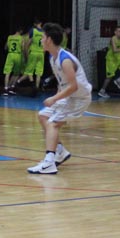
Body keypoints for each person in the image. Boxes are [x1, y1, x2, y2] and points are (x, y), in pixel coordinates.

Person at [26, 22, 92, 174]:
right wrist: (57, 98)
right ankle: (60, 151)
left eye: (43, 37)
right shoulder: (52, 57)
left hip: (79, 98)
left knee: (53, 124)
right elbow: (63, 83)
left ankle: (49, 162)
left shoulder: (65, 60)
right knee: (43, 116)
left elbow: (73, 86)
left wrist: (54, 99)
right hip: (69, 96)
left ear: (49, 40)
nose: (41, 40)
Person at [97, 26, 120, 98]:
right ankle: (102, 91)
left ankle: (118, 80)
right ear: (115, 32)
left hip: (118, 59)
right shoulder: (113, 39)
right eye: (118, 31)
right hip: (111, 60)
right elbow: (115, 50)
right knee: (109, 76)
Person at [17, 18, 46, 91]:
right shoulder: (44, 32)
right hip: (41, 53)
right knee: (39, 72)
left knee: (29, 70)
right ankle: (37, 87)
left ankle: (33, 85)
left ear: (34, 24)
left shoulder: (33, 30)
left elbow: (28, 43)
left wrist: (26, 53)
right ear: (41, 23)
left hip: (33, 52)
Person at [2, 26, 25, 95]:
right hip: (18, 55)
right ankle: (12, 87)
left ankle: (6, 88)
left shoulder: (10, 37)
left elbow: (6, 47)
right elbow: (23, 48)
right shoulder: (21, 38)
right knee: (16, 73)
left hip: (10, 55)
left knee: (7, 73)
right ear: (21, 31)